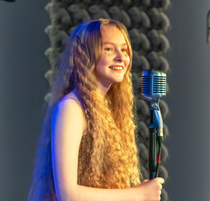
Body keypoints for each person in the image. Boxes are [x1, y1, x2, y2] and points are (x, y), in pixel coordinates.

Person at [28, 19, 164, 201]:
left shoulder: (108, 109)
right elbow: (68, 195)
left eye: (124, 50)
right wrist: (138, 195)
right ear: (85, 56)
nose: (121, 57)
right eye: (109, 49)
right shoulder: (71, 109)